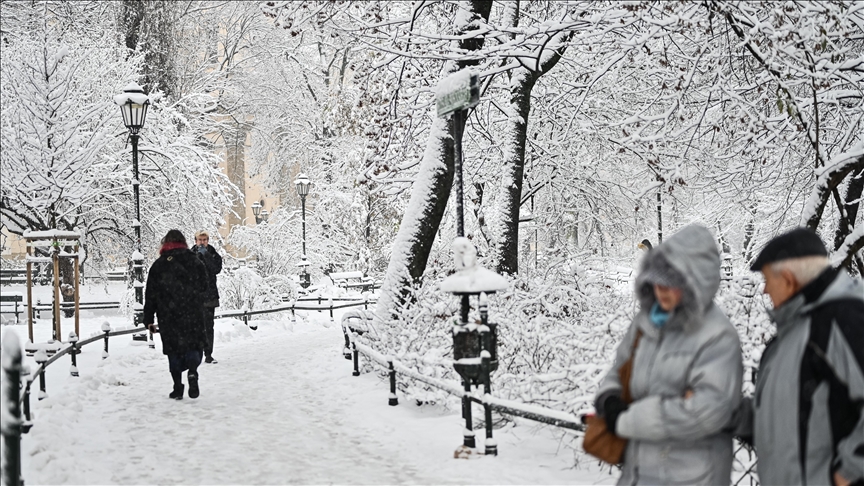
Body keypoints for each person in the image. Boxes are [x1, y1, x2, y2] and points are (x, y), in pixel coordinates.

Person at [593, 224, 743, 485]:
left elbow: (707, 411)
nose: (661, 288)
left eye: (671, 282)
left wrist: (630, 419)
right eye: (657, 278)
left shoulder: (717, 337)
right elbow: (620, 370)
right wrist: (609, 399)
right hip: (638, 472)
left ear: (695, 283)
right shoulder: (647, 322)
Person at [736, 227, 863, 486]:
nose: (764, 291)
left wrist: (846, 474)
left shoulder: (843, 321)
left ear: (789, 279)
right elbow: (791, 420)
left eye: (767, 280)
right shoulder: (790, 336)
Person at [143, 230, 208, 400]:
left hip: (168, 316)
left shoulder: (159, 265)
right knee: (194, 345)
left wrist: (148, 318)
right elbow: (204, 286)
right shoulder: (195, 261)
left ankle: (177, 387)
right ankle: (193, 372)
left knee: (173, 350)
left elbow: (151, 294)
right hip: (192, 313)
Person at [194, 230, 222, 364]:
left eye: (205, 239)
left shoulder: (214, 254)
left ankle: (208, 354)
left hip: (209, 296)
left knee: (208, 326)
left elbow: (216, 269)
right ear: (195, 241)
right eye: (200, 239)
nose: (202, 242)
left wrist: (207, 256)